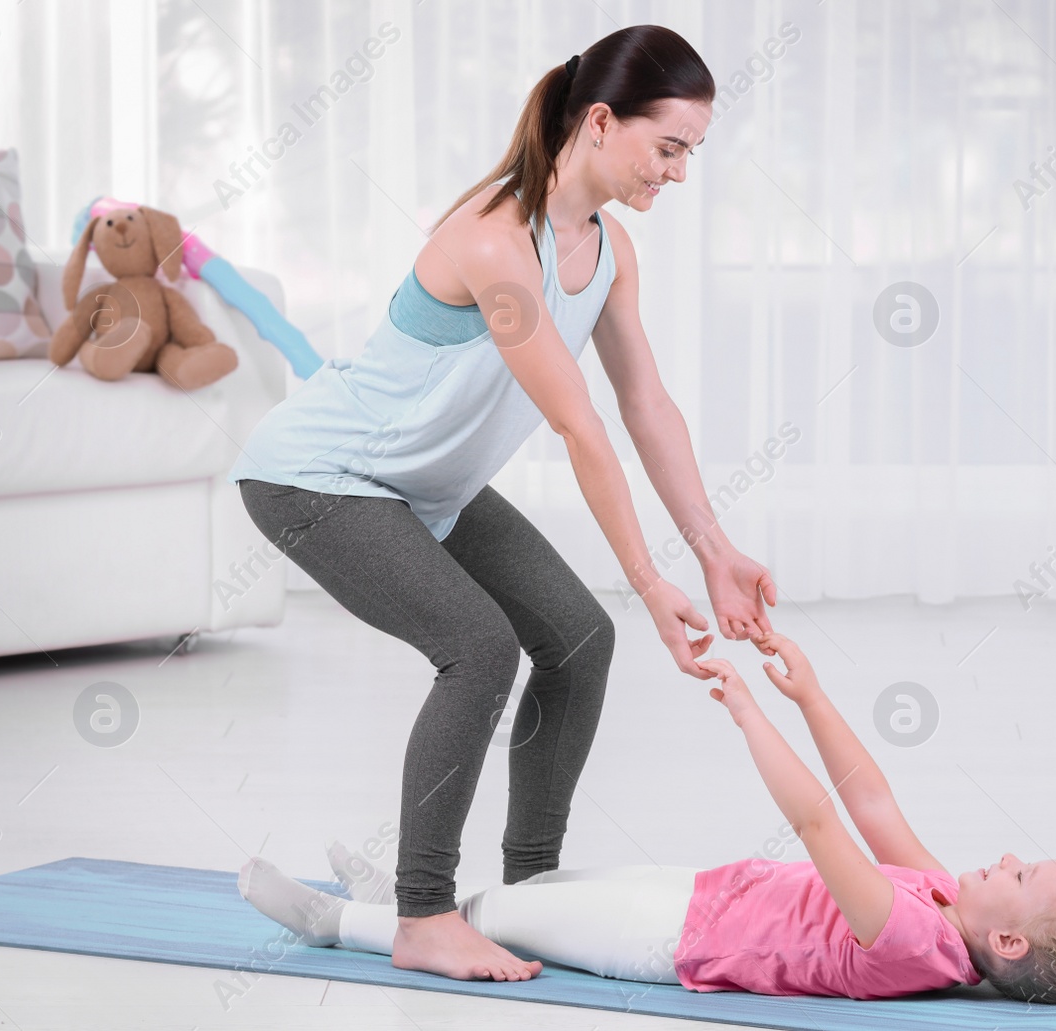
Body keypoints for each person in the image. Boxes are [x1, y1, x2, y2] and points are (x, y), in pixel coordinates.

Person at [227, 25, 775, 981]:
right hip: (318, 476)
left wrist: (714, 548)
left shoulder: (608, 252)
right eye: (671, 147)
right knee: (478, 648)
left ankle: (532, 892)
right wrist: (649, 581)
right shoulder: (494, 238)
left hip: (425, 487)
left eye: (693, 151)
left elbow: (644, 405)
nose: (681, 172)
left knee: (576, 639)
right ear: (601, 121)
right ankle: (424, 913)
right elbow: (580, 427)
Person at [240, 633, 1056, 1004]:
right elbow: (868, 796)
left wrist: (747, 709)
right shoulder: (938, 896)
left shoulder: (913, 944)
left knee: (501, 920)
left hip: (671, 939)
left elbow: (818, 824)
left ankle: (344, 925)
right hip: (701, 891)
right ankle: (397, 903)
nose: (1005, 856)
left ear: (1005, 939)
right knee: (534, 889)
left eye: (1021, 872)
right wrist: (809, 693)